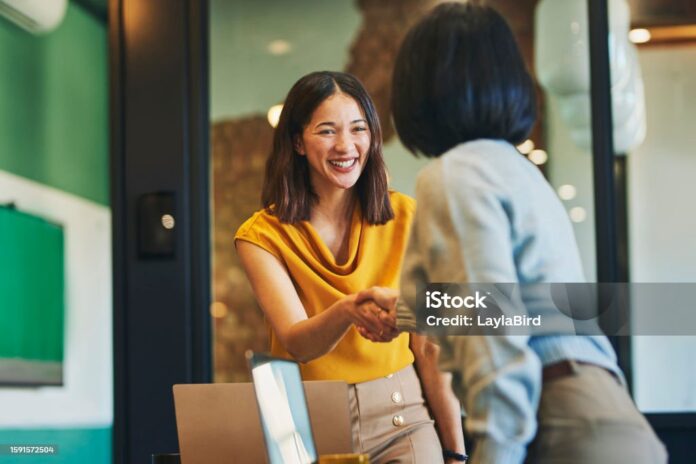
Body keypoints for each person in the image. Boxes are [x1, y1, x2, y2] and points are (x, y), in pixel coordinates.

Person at [356, 3, 668, 464]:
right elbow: (517, 304)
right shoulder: (516, 171)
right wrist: (408, 312)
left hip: (560, 422)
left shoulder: (454, 176)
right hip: (602, 414)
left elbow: (496, 342)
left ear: (421, 87)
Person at [235, 71, 465, 463]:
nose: (346, 146)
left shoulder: (409, 217)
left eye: (358, 129)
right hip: (304, 427)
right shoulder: (261, 236)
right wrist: (347, 310)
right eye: (326, 131)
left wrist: (457, 453)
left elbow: (429, 348)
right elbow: (297, 343)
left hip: (402, 418)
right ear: (297, 142)